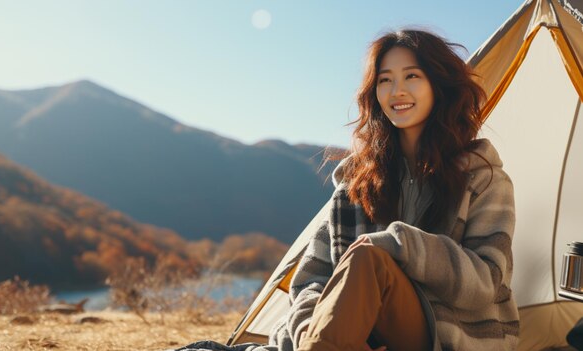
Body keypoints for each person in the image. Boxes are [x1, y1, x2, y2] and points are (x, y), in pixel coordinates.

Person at [174, 28, 518, 351]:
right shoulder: (357, 184)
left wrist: (399, 245)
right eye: (385, 80)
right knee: (361, 263)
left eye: (412, 76)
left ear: (439, 85)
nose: (397, 90)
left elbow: (487, 280)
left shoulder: (483, 178)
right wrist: (318, 328)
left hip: (441, 334)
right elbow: (311, 280)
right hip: (357, 335)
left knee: (368, 256)